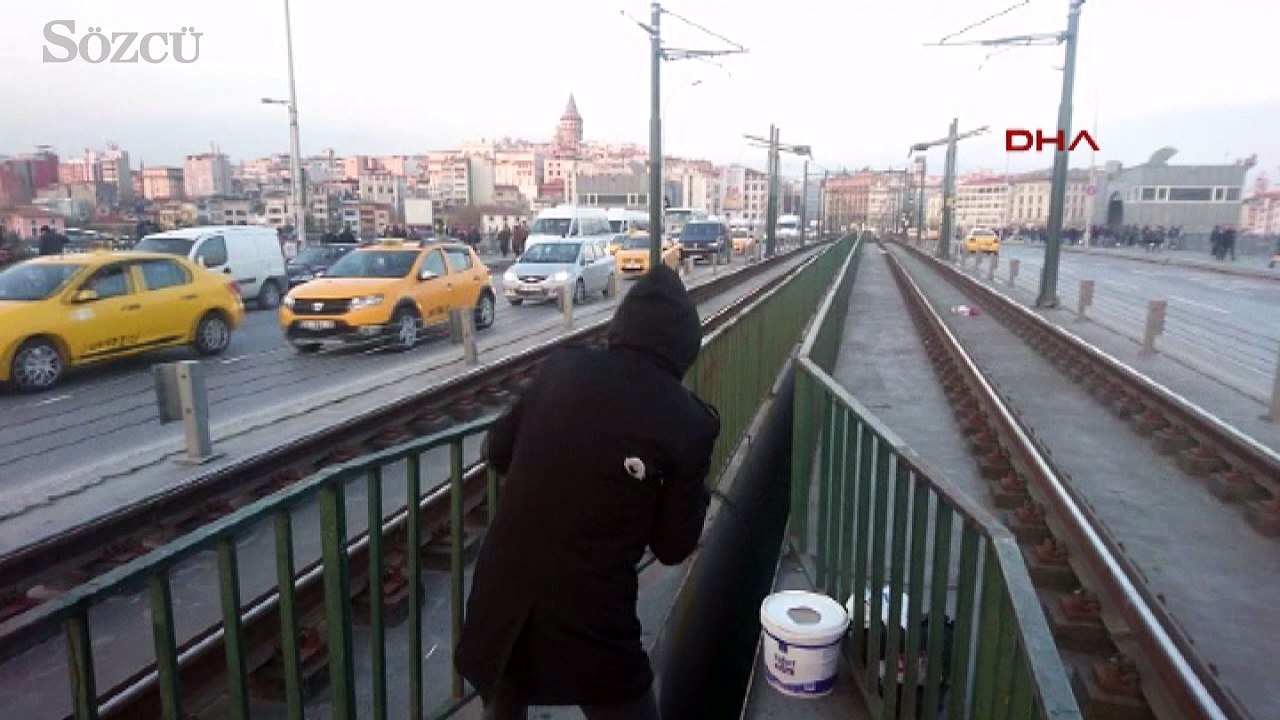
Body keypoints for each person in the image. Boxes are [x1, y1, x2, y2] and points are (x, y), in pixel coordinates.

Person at [456, 264, 721, 720]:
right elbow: (673, 545)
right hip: (594, 616)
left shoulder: (561, 368)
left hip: (503, 595)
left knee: (505, 693)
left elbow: (496, 451)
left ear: (622, 326)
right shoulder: (688, 421)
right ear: (684, 347)